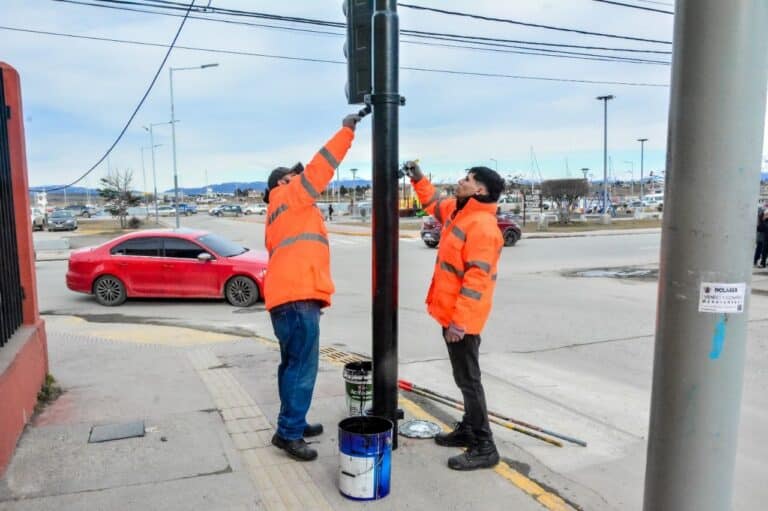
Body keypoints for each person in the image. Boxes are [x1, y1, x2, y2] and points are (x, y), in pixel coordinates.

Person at [263, 113, 363, 461]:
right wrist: (347, 130)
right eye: (295, 175)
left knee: (291, 364)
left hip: (286, 298)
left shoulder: (279, 211)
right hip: (297, 297)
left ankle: (294, 421)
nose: (301, 177)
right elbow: (324, 163)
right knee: (302, 367)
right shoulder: (291, 195)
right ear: (284, 182)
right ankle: (289, 432)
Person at [405, 161, 505, 470]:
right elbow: (434, 204)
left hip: (463, 320)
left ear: (480, 189)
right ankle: (468, 428)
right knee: (463, 378)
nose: (460, 181)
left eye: (467, 178)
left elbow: (476, 283)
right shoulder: (460, 211)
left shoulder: (483, 227)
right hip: (451, 314)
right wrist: (419, 179)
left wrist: (459, 322)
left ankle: (484, 445)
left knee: (469, 380)